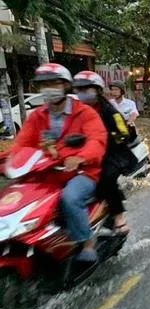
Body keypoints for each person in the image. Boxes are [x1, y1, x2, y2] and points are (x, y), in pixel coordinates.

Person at [10, 63, 107, 262]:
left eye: (53, 83)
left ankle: (86, 243)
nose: (49, 88)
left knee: (69, 197)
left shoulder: (86, 113)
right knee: (17, 198)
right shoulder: (36, 116)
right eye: (44, 84)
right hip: (46, 173)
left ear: (66, 86)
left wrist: (80, 157)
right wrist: (8, 162)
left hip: (82, 172)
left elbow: (97, 141)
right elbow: (21, 144)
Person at [73, 71, 137, 237]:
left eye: (87, 88)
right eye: (79, 89)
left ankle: (118, 216)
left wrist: (104, 138)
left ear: (98, 90)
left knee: (105, 178)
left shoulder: (110, 111)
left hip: (112, 154)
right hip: (84, 153)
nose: (83, 93)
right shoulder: (76, 111)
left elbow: (123, 133)